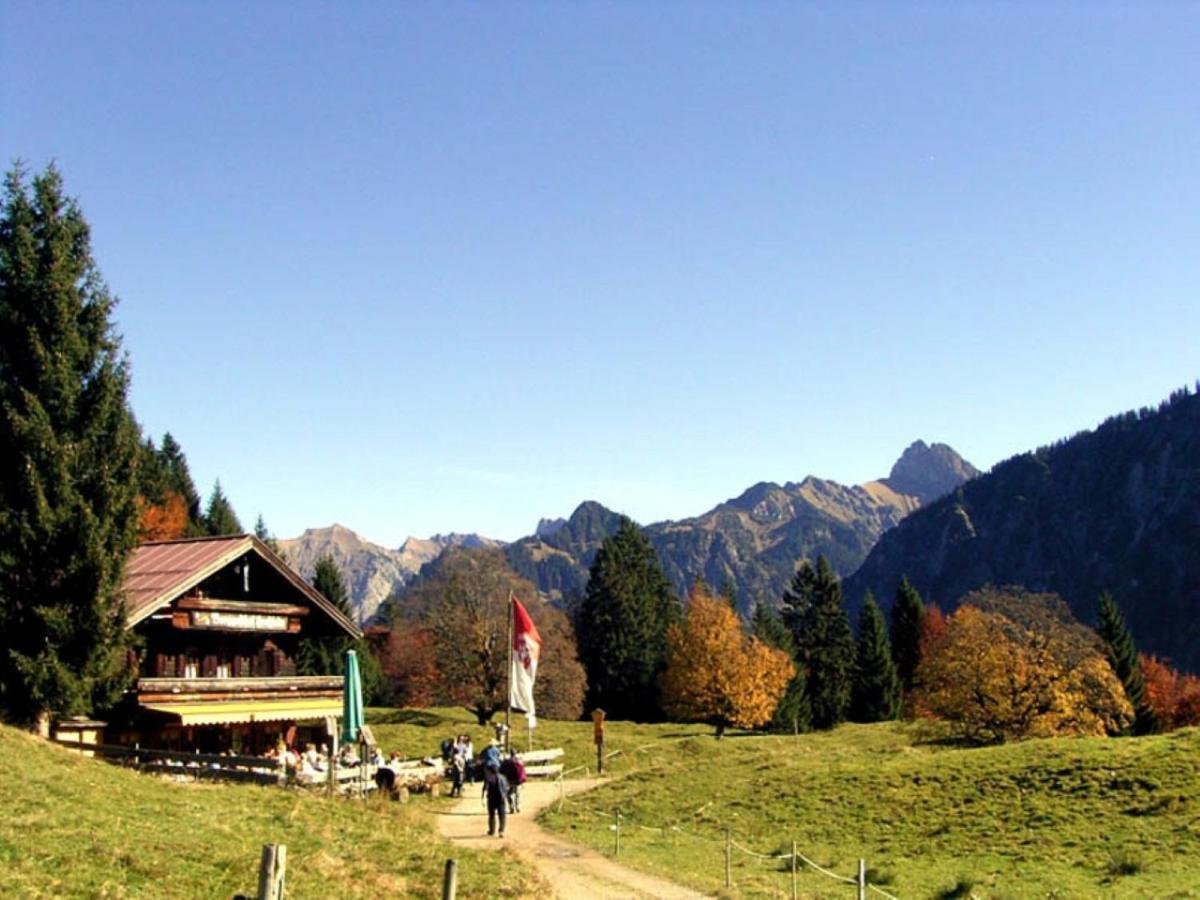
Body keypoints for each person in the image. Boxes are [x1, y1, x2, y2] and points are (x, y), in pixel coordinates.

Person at [482, 761, 510, 837]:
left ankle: (492, 831)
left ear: (490, 771)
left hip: (491, 799)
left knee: (492, 815)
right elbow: (507, 787)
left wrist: (483, 799)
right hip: (501, 799)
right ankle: (501, 831)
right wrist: (505, 795)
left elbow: (485, 789)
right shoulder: (503, 777)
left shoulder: (488, 778)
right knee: (502, 815)